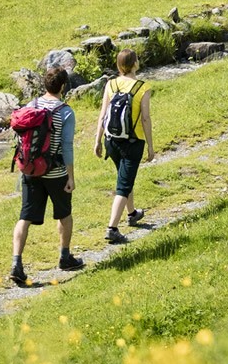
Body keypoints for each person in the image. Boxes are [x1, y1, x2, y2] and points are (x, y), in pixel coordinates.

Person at [10, 66, 83, 285]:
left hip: (30, 170)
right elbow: (67, 146)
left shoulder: (31, 106)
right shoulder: (65, 111)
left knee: (25, 217)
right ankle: (65, 257)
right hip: (55, 171)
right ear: (62, 86)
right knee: (64, 214)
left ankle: (16, 263)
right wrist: (70, 176)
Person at [94, 48, 154, 244]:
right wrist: (151, 146)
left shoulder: (110, 84)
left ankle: (132, 213)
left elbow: (102, 116)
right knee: (123, 185)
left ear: (119, 65)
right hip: (132, 141)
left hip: (111, 141)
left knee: (124, 176)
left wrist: (97, 141)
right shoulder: (142, 88)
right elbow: (145, 118)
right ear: (135, 64)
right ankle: (112, 228)